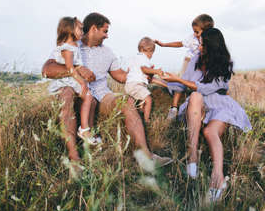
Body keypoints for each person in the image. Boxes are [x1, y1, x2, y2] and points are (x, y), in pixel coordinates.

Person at [42, 12, 173, 174]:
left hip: (102, 94)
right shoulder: (71, 45)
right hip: (77, 92)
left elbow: (121, 76)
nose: (107, 36)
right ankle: (74, 159)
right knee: (67, 93)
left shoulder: (108, 53)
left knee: (126, 101)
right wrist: (77, 69)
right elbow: (47, 70)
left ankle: (146, 157)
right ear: (93, 29)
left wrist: (143, 75)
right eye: (105, 31)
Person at [162, 27, 252, 203]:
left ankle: (217, 179)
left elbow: (208, 88)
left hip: (219, 104)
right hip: (198, 103)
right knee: (195, 96)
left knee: (210, 132)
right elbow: (185, 85)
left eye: (202, 43)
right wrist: (164, 80)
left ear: (211, 45)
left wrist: (179, 80)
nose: (199, 46)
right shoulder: (195, 58)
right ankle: (192, 154)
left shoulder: (225, 62)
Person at [47, 17, 99, 145]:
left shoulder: (75, 46)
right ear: (70, 30)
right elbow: (70, 68)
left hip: (73, 79)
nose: (82, 31)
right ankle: (84, 129)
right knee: (88, 96)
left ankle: (87, 129)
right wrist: (82, 82)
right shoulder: (67, 47)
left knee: (90, 98)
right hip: (67, 80)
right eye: (80, 29)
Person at [155, 14, 214, 120]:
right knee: (181, 81)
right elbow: (180, 43)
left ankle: (198, 108)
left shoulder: (211, 40)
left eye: (197, 31)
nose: (195, 34)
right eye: (194, 31)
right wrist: (164, 45)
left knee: (200, 85)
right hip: (189, 61)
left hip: (202, 64)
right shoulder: (192, 38)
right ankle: (174, 107)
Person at [125, 37, 165, 123]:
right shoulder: (144, 58)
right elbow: (144, 69)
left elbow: (128, 71)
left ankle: (140, 115)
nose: (151, 56)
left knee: (141, 102)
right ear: (147, 50)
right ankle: (147, 120)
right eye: (152, 53)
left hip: (129, 84)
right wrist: (156, 71)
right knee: (148, 99)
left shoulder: (134, 58)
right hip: (136, 85)